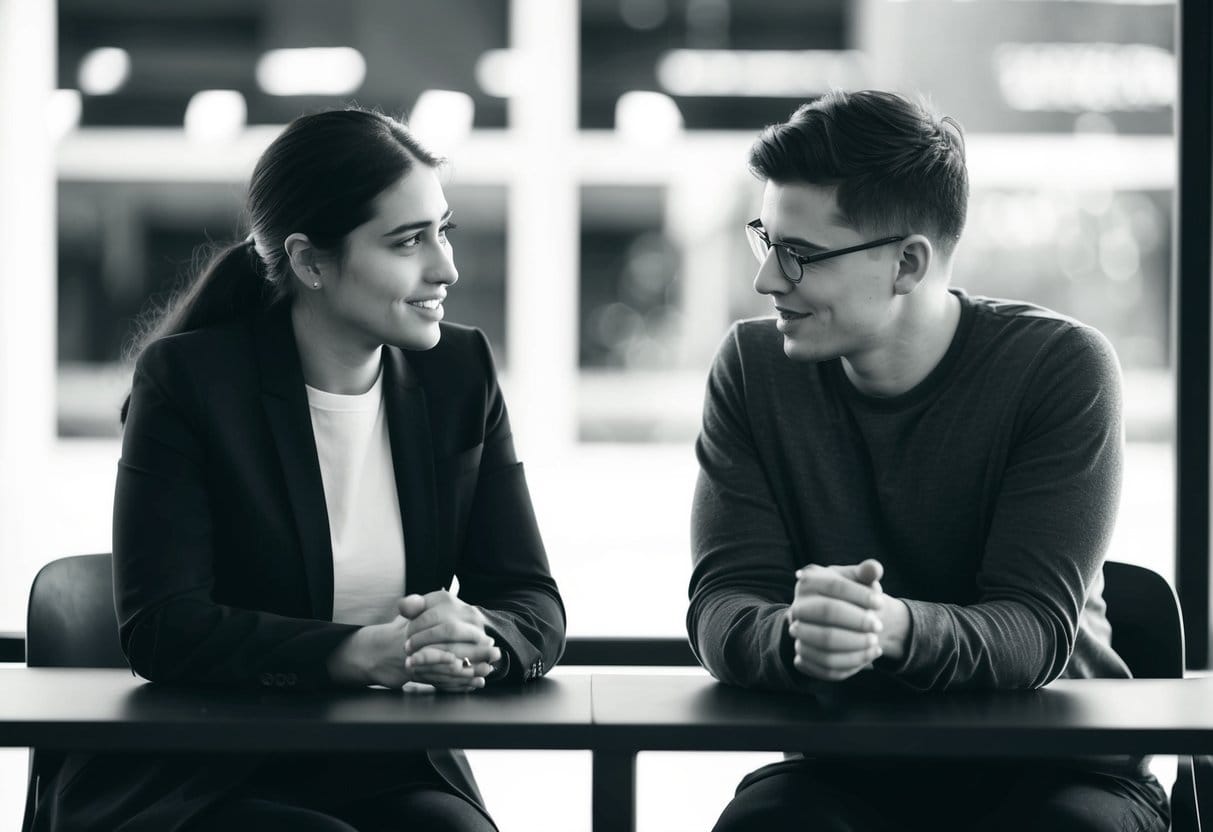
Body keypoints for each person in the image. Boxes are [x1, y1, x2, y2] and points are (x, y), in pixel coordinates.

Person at [34, 108, 566, 832]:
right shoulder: (189, 382)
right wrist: (355, 653)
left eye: (442, 229)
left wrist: (482, 637)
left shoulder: (458, 373)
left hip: (383, 758)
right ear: (311, 262)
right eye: (408, 240)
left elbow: (530, 597)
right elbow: (164, 626)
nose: (445, 266)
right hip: (196, 769)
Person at [688, 89, 1171, 831]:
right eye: (766, 240)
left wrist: (889, 629)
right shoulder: (754, 370)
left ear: (907, 262)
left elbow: (1034, 630)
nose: (767, 281)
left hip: (1059, 769)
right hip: (848, 768)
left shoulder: (1060, 369)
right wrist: (798, 634)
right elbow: (721, 601)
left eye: (800, 256)